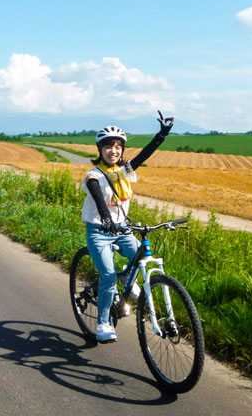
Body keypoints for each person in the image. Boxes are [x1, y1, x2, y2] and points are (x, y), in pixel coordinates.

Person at [80, 111, 174, 343]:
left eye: (118, 146)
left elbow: (144, 155)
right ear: (99, 149)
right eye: (108, 146)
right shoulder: (93, 175)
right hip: (99, 232)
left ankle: (127, 280)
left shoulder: (125, 172)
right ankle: (103, 323)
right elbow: (99, 200)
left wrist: (161, 136)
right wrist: (107, 220)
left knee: (139, 258)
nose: (113, 150)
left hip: (122, 229)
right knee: (109, 276)